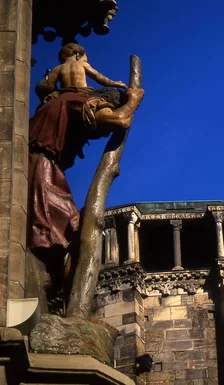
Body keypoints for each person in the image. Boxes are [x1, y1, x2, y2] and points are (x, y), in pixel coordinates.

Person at [28, 43, 144, 261]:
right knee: (72, 231)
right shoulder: (79, 102)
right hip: (42, 173)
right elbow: (119, 120)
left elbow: (47, 85)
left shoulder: (49, 103)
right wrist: (132, 101)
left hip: (37, 168)